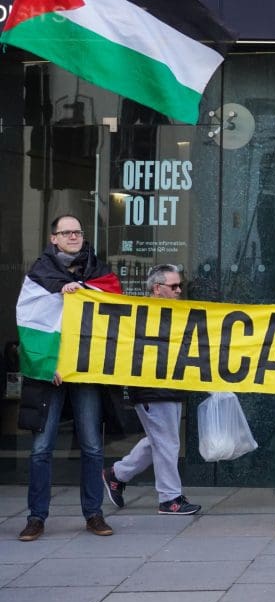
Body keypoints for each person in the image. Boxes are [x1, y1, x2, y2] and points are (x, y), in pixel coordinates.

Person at [17, 214, 121, 541]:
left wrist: (85, 291)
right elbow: (31, 323)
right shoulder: (39, 274)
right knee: (41, 448)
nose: (74, 236)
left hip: (85, 371)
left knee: (92, 445)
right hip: (51, 374)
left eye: (77, 231)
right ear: (54, 239)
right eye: (67, 232)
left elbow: (114, 305)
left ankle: (94, 514)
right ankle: (36, 517)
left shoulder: (98, 270)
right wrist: (61, 293)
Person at [102, 264, 201, 516]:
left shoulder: (175, 313)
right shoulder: (140, 315)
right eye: (174, 286)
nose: (179, 290)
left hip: (169, 386)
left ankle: (117, 474)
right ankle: (170, 498)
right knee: (166, 442)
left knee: (160, 439)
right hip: (151, 389)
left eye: (181, 285)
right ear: (157, 288)